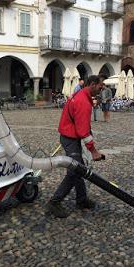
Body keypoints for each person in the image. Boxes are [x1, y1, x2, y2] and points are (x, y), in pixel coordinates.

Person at [46, 75, 106, 218]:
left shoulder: (82, 96)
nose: (102, 88)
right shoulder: (83, 102)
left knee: (79, 168)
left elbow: (83, 126)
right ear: (92, 84)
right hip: (69, 138)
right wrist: (93, 151)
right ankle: (54, 202)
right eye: (100, 86)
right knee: (75, 171)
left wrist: (92, 150)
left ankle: (81, 199)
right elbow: (83, 131)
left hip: (70, 136)